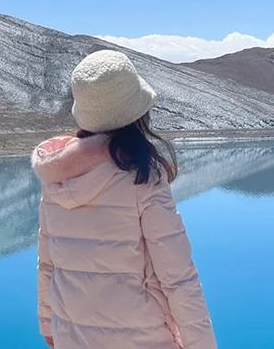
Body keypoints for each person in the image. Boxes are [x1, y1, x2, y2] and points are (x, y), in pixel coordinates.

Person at [31, 50, 217, 349]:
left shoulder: (58, 175)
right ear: (137, 111)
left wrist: (47, 324)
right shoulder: (142, 175)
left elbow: (47, 264)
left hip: (73, 337)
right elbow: (179, 279)